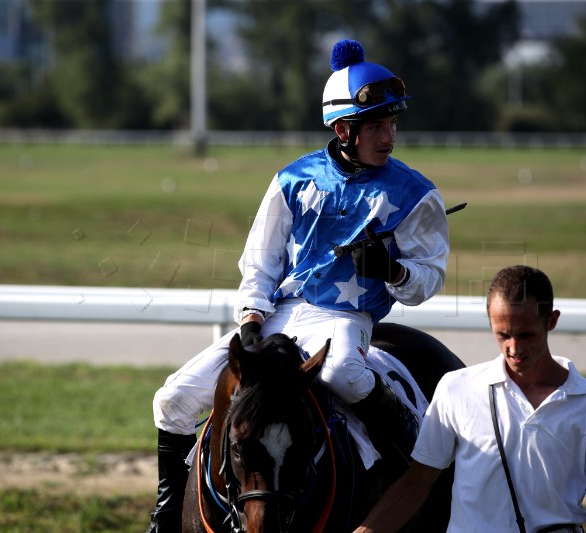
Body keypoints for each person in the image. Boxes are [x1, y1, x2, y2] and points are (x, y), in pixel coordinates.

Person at [145, 39, 451, 531]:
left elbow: (428, 278)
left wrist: (392, 271)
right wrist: (250, 317)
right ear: (343, 129)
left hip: (345, 319)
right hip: (282, 313)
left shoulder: (415, 194)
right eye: (376, 125)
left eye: (392, 123)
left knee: (346, 375)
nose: (389, 135)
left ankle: (417, 452)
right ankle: (164, 515)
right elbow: (260, 260)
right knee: (173, 399)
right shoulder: (292, 179)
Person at [354, 265, 586, 533]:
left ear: (551, 321)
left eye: (526, 335)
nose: (514, 348)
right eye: (503, 335)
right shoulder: (456, 389)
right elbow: (413, 487)